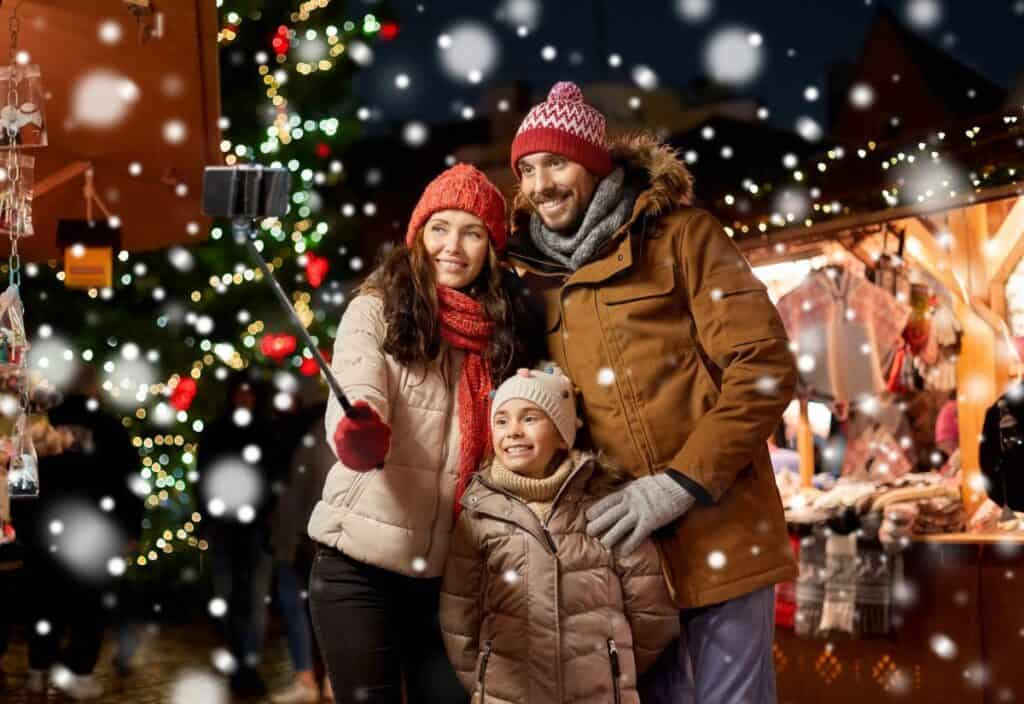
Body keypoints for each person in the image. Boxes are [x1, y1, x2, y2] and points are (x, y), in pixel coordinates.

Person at [507, 81, 799, 703]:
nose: (540, 185)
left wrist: (680, 483)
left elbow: (763, 365)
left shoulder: (682, 238)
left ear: (593, 165)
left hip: (721, 530)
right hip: (625, 561)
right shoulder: (534, 281)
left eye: (556, 163)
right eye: (527, 170)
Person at [307, 164, 537, 704]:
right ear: (418, 235)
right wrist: (359, 427)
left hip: (450, 579)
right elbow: (360, 380)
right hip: (357, 566)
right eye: (440, 227)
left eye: (472, 232)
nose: (452, 246)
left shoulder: (499, 335)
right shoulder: (376, 310)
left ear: (491, 248)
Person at [440, 365, 678, 703]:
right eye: (502, 420)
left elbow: (651, 612)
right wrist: (485, 674)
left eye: (530, 418)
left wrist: (612, 668)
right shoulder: (479, 515)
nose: (513, 431)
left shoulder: (605, 505)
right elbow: (459, 616)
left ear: (562, 433)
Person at [16, 368, 143, 700]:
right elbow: (130, 481)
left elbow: (23, 477)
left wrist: (23, 523)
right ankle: (80, 673)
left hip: (47, 528)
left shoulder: (40, 425)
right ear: (95, 390)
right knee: (90, 605)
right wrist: (131, 528)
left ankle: (38, 670)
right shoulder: (110, 429)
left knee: (45, 601)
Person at [200, 374, 302, 697]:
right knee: (228, 597)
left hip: (258, 529)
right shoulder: (218, 433)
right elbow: (203, 479)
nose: (244, 398)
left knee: (255, 601)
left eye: (249, 393)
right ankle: (240, 663)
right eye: (239, 393)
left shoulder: (267, 432)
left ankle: (248, 665)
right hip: (225, 528)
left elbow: (277, 480)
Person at [269, 399, 334, 703]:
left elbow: (305, 488)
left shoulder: (318, 432)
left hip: (312, 536)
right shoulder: (313, 432)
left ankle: (320, 680)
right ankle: (313, 679)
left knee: (319, 610)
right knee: (304, 608)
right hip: (301, 535)